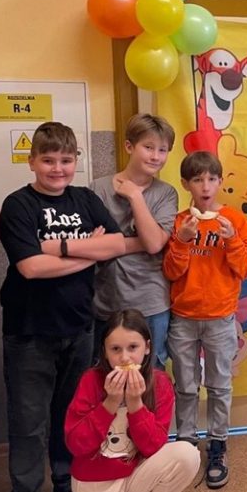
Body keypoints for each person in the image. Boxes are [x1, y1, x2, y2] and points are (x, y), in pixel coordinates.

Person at [0, 121, 127, 492]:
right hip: (30, 332)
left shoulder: (84, 199)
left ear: (76, 161)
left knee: (71, 414)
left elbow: (116, 244)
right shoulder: (18, 205)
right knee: (29, 422)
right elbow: (31, 268)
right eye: (49, 160)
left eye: (66, 160)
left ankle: (64, 481)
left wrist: (59, 248)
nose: (58, 168)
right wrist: (89, 249)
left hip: (80, 326)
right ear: (32, 161)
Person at [163, 151, 247, 489]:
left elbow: (245, 269)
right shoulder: (179, 221)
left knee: (219, 385)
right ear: (185, 183)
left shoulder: (234, 219)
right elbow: (171, 271)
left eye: (212, 179)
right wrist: (183, 241)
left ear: (220, 182)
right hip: (184, 317)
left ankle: (218, 444)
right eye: (197, 179)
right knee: (185, 386)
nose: (205, 186)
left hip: (220, 317)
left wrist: (231, 240)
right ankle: (187, 443)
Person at [64, 309, 200, 492]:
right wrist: (110, 403)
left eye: (133, 347)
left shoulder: (160, 383)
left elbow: (153, 446)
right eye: (115, 349)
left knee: (187, 455)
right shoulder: (90, 380)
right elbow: (76, 445)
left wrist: (135, 405)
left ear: (147, 347)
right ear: (104, 351)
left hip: (136, 471)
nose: (124, 358)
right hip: (95, 476)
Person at [90, 113, 178, 369]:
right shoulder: (98, 189)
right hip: (106, 300)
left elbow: (153, 244)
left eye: (162, 150)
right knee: (105, 373)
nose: (155, 156)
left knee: (151, 372)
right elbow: (92, 247)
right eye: (148, 147)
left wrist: (135, 196)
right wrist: (135, 242)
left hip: (150, 301)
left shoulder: (165, 193)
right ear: (129, 146)